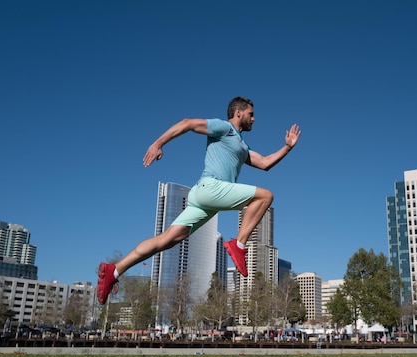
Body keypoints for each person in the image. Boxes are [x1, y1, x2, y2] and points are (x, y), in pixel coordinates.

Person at [96, 96, 301, 304]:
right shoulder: (224, 128)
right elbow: (187, 123)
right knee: (266, 196)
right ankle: (238, 245)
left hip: (204, 199)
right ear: (238, 112)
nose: (254, 119)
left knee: (166, 240)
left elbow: (265, 163)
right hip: (209, 188)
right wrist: (157, 144)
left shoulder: (241, 146)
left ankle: (114, 270)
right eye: (251, 114)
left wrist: (288, 147)